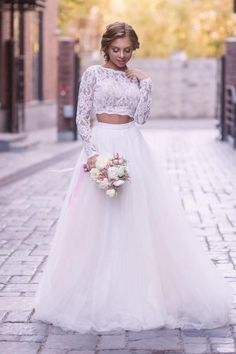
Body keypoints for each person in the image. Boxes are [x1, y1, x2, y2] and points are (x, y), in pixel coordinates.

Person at [33, 22, 233, 333]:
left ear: (133, 49)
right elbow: (82, 119)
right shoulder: (93, 75)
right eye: (116, 50)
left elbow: (141, 119)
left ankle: (139, 293)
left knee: (135, 219)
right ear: (106, 48)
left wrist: (147, 85)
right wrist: (94, 155)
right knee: (96, 222)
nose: (122, 55)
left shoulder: (137, 79)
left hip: (132, 148)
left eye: (127, 50)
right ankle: (92, 294)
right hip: (101, 146)